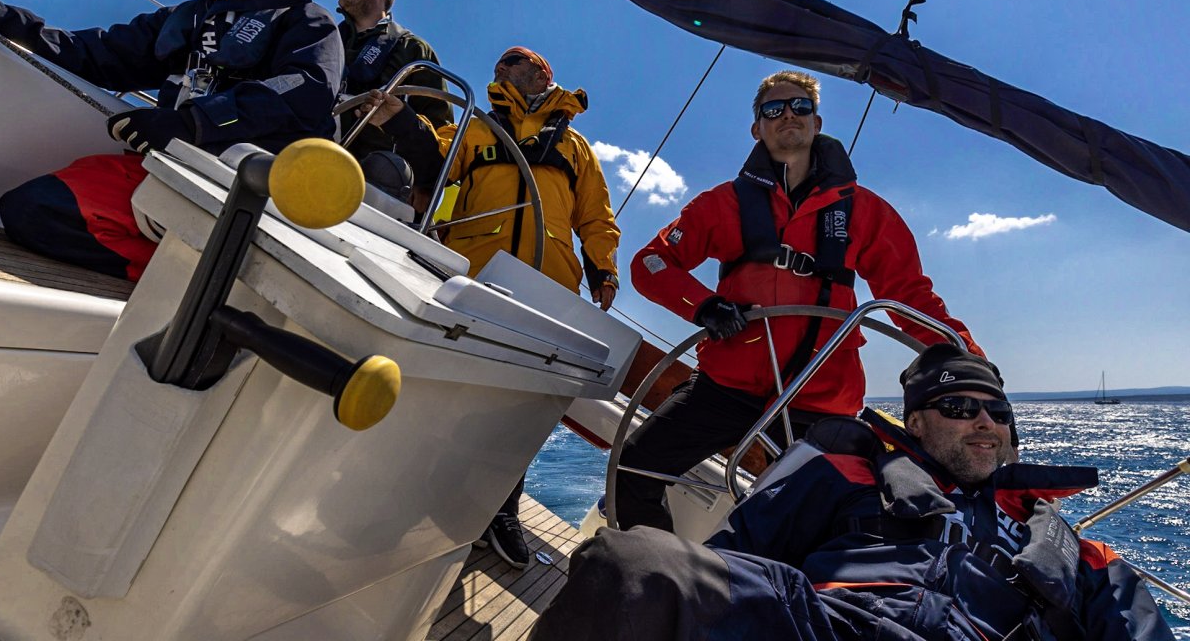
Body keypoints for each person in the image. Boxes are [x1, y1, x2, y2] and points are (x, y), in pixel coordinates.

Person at [532, 344, 1175, 641]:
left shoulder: (1075, 552)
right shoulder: (845, 471)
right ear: (915, 423)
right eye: (958, 407)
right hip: (830, 624)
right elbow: (735, 557)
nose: (984, 422)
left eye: (997, 411)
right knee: (631, 563)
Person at [619, 70, 984, 531]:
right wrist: (703, 305)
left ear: (817, 122)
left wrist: (971, 361)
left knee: (821, 524)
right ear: (757, 128)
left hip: (823, 396)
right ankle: (651, 568)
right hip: (727, 384)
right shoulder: (722, 205)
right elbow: (651, 263)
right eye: (774, 109)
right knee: (634, 469)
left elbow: (909, 297)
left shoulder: (864, 211)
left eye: (800, 107)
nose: (788, 115)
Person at [0, 0, 342, 281]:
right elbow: (92, 53)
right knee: (31, 207)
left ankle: (209, 277)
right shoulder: (186, 19)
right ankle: (195, 270)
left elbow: (303, 90)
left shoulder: (306, 21)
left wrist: (193, 123)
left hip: (249, 189)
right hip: (171, 169)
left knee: (35, 210)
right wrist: (0, 17)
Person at [366, 45, 621, 568]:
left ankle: (499, 509)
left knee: (519, 408)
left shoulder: (576, 148)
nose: (501, 67)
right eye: (499, 63)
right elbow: (435, 162)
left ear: (543, 71)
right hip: (477, 276)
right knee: (449, 389)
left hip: (549, 288)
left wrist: (604, 269)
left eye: (513, 60)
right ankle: (405, 498)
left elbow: (595, 216)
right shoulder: (477, 127)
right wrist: (401, 122)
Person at [322, 0, 450, 181]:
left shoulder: (414, 50)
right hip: (313, 162)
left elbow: (441, 140)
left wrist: (399, 120)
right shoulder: (321, 39)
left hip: (375, 183)